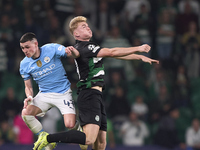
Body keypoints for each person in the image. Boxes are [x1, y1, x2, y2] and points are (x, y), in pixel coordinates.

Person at [33, 16, 159, 150]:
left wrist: (139, 57)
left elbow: (116, 54)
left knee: (101, 144)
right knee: (89, 139)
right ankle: (48, 138)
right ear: (76, 34)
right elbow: (111, 52)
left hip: (96, 96)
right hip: (89, 95)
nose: (88, 27)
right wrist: (138, 48)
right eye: (83, 27)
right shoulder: (84, 47)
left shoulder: (90, 47)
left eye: (87, 25)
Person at [19, 32, 78, 150]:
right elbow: (28, 87)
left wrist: (71, 52)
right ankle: (44, 137)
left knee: (70, 125)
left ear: (35, 44)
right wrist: (29, 96)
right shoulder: (24, 64)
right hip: (44, 94)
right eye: (22, 48)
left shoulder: (51, 48)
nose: (25, 50)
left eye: (27, 47)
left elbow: (70, 53)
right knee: (25, 113)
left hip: (63, 92)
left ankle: (79, 129)